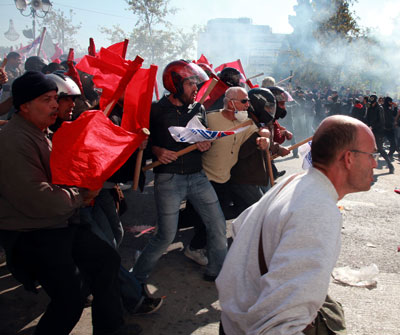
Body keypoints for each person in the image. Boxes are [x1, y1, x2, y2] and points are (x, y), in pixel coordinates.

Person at [0, 71, 142, 335]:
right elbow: (39, 198)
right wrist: (82, 196)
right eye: (46, 99)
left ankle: (110, 328)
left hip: (59, 223)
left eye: (56, 98)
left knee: (106, 261)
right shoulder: (13, 141)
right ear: (24, 105)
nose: (55, 105)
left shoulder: (39, 133)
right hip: (33, 233)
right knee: (70, 300)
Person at [217, 115, 377, 335]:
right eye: (372, 155)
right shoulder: (318, 210)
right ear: (348, 158)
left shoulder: (297, 181)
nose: (375, 163)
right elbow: (280, 324)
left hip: (233, 319)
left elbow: (240, 225)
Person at [131, 60, 228, 282]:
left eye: (196, 82)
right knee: (165, 236)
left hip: (198, 177)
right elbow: (143, 143)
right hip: (168, 178)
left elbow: (202, 136)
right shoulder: (155, 110)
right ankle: (136, 278)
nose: (196, 88)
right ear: (174, 84)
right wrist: (155, 149)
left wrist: (206, 143)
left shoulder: (199, 108)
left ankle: (219, 271)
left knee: (217, 225)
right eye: (190, 83)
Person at [366, 94, 394, 173]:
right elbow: (367, 117)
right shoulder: (369, 107)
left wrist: (372, 126)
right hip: (370, 130)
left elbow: (381, 121)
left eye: (373, 102)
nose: (372, 104)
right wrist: (367, 125)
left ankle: (390, 165)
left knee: (380, 148)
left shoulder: (380, 108)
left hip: (378, 131)